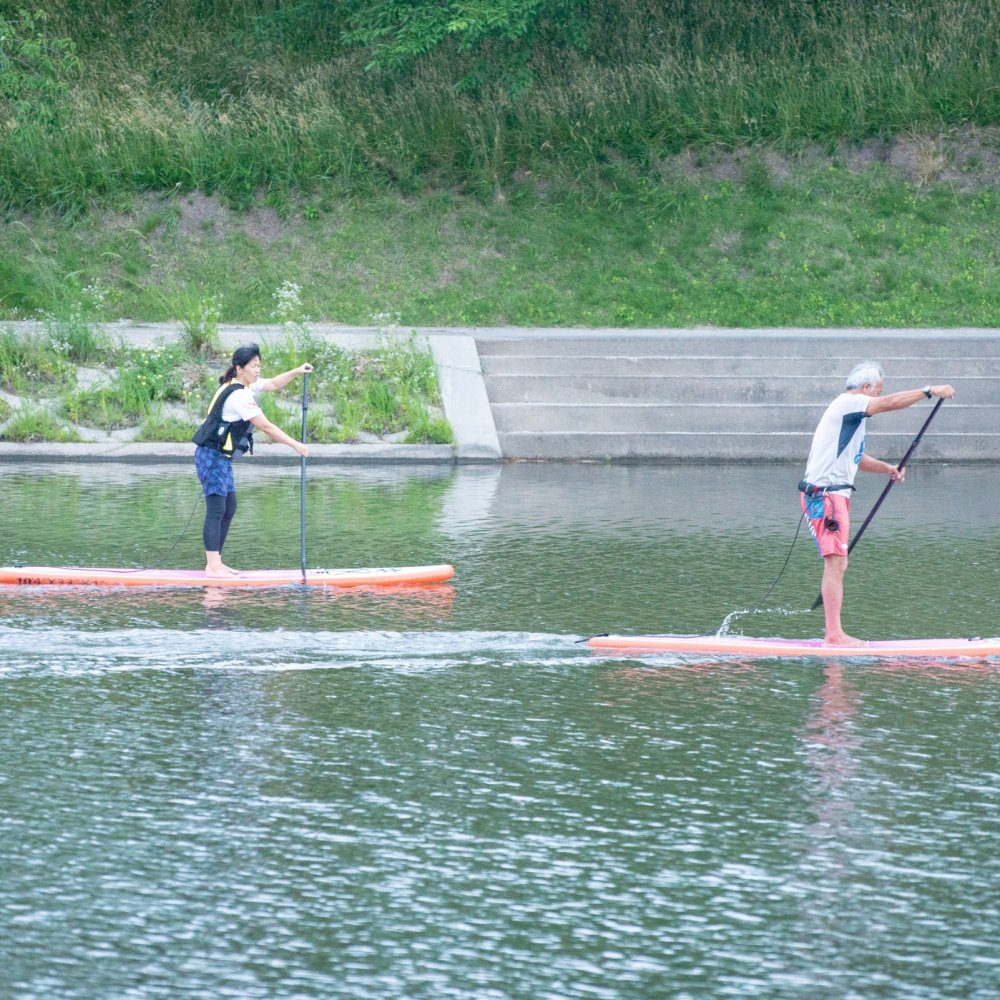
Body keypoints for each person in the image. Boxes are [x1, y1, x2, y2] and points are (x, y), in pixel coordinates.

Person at [799, 361, 954, 645]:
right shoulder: (849, 403)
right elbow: (891, 403)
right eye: (878, 390)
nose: (880, 396)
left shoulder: (851, 419)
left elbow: (855, 459)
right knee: (835, 562)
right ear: (867, 388)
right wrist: (929, 391)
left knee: (838, 563)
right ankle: (834, 635)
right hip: (825, 496)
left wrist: (887, 468)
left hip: (834, 495)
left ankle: (834, 632)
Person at [193, 343, 311, 577]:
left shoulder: (244, 384)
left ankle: (217, 562)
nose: (257, 370)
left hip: (220, 458)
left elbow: (274, 384)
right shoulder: (238, 395)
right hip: (211, 455)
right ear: (239, 368)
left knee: (230, 507)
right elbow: (265, 426)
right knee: (216, 509)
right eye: (253, 366)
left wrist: (297, 371)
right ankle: (212, 566)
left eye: (259, 365)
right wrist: (296, 445)